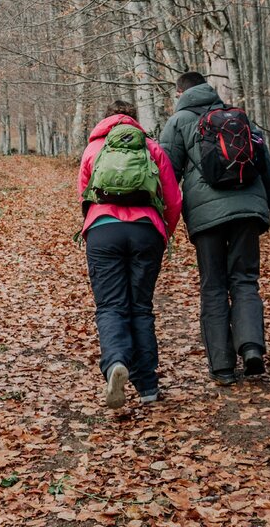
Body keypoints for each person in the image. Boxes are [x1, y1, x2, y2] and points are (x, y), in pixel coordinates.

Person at [158, 72, 270, 385]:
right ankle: (250, 349)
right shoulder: (238, 117)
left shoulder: (179, 122)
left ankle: (221, 366)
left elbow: (167, 174)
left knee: (213, 284)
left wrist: (162, 222)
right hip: (249, 209)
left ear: (180, 91)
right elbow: (267, 169)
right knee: (245, 280)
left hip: (207, 218)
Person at [78, 100, 182, 408]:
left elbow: (84, 194)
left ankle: (116, 363)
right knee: (141, 307)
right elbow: (173, 198)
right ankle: (148, 386)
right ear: (133, 120)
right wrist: (164, 232)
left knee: (111, 305)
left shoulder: (94, 149)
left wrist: (95, 224)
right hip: (146, 231)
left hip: (103, 229)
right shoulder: (152, 147)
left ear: (105, 120)